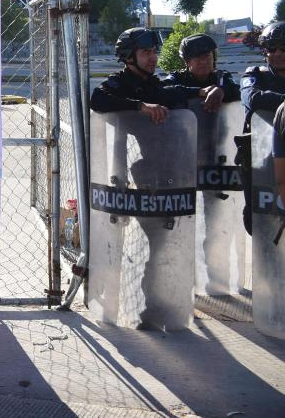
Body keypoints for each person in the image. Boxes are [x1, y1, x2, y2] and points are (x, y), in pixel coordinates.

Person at [91, 27, 193, 327]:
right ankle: (116, 305)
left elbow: (178, 94)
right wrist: (139, 107)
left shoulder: (155, 84)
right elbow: (99, 99)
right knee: (122, 245)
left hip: (162, 179)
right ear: (129, 57)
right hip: (124, 182)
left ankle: (155, 308)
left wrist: (206, 90)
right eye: (146, 53)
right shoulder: (118, 84)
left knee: (162, 244)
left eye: (154, 52)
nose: (153, 58)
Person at [240, 22, 285, 234]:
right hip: (259, 164)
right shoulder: (255, 75)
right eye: (272, 48)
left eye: (283, 47)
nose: (278, 53)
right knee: (259, 226)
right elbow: (253, 99)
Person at [162, 33, 241, 112]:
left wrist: (222, 90)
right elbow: (162, 90)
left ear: (214, 58)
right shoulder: (177, 77)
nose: (203, 61)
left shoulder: (221, 77)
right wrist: (199, 92)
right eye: (197, 57)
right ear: (187, 61)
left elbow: (239, 91)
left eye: (207, 56)